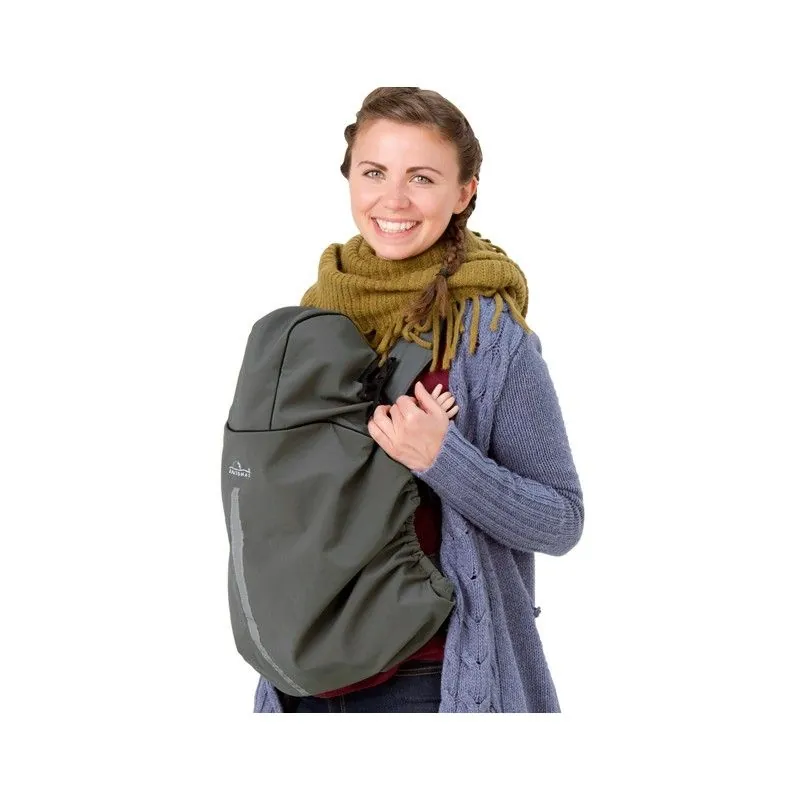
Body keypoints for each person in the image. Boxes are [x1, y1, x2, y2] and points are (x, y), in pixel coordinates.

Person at [253, 86, 584, 713]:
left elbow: (561, 520)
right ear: (350, 176)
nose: (394, 200)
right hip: (301, 675)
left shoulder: (488, 337)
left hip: (430, 680)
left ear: (464, 192)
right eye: (374, 172)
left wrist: (442, 458)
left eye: (422, 178)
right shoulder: (314, 319)